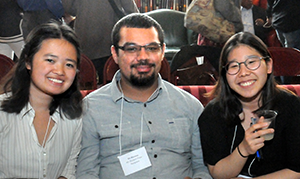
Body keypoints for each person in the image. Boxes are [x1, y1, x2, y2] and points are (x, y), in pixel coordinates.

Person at [76, 13, 211, 179]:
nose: (143, 57)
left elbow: (202, 168)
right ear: (115, 54)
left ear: (162, 51)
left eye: (152, 48)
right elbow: (86, 173)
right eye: (132, 49)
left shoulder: (190, 106)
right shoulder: (91, 108)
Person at [198, 32, 300, 178]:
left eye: (252, 62)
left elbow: (297, 170)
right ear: (225, 74)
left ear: (269, 65)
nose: (244, 72)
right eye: (234, 66)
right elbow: (217, 173)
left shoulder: (290, 106)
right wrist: (243, 149)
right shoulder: (214, 113)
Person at [0, 22, 83, 179]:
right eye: (50, 60)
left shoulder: (74, 116)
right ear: (28, 62)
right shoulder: (2, 112)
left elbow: (68, 170)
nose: (59, 71)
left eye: (69, 64)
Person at [62, 0, 139, 85]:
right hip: (110, 38)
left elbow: (69, 8)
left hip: (85, 38)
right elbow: (131, 11)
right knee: (112, 81)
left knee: (87, 82)